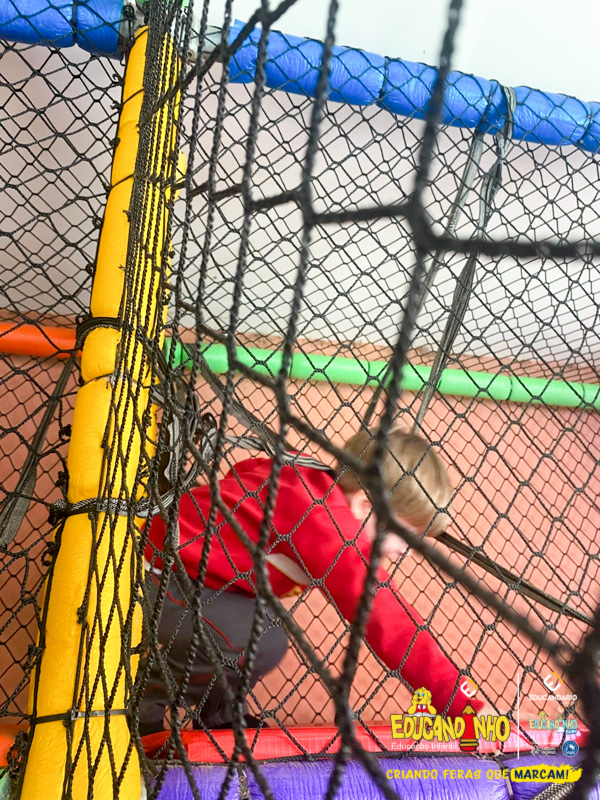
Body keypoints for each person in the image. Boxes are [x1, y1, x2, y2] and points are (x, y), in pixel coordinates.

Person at [139, 426, 483, 735]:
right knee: (260, 639)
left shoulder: (315, 484)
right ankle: (141, 704)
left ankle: (220, 716)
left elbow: (248, 470)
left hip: (205, 579)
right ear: (365, 506)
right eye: (406, 536)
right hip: (157, 573)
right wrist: (464, 706)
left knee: (256, 625)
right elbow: (388, 620)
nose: (405, 552)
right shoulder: (327, 522)